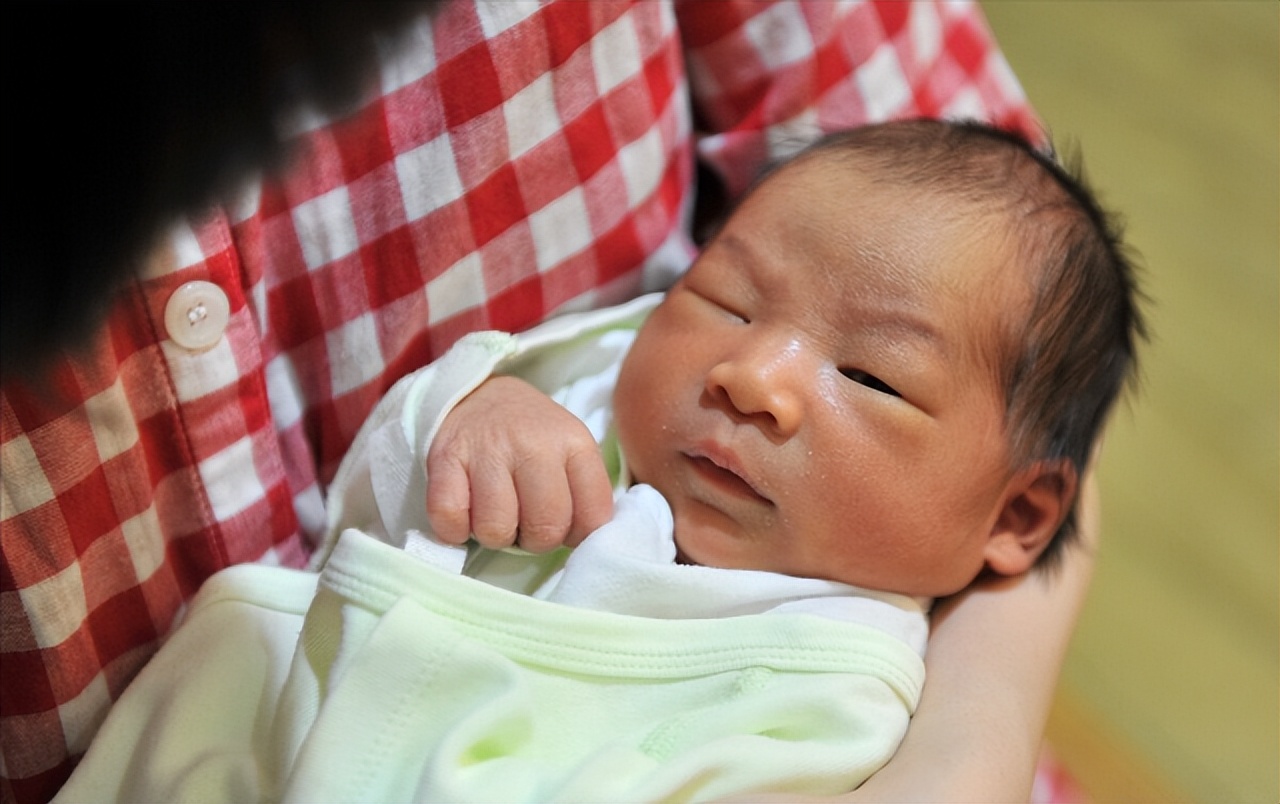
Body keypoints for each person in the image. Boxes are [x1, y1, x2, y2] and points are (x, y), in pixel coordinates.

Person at [0, 2, 1089, 802]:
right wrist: (469, 415)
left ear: (1014, 520)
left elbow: (1014, 312)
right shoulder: (599, 398)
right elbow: (373, 519)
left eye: (869, 379)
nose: (751, 376)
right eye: (720, 295)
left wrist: (972, 748)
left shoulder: (839, 701)